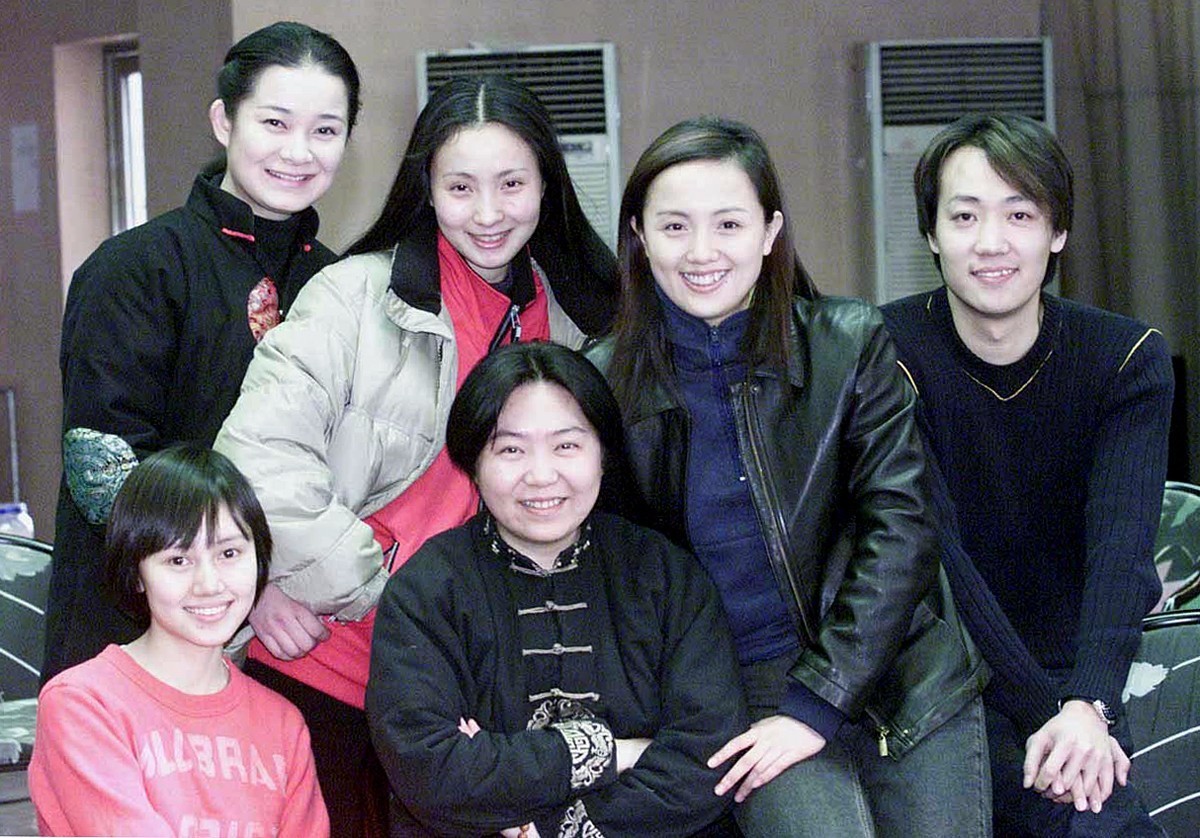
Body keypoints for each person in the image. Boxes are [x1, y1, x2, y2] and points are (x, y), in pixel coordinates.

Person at [214, 75, 619, 835]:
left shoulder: (578, 324)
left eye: (512, 184)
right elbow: (258, 458)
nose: (488, 213)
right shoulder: (351, 297)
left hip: (484, 699)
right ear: (426, 189)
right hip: (331, 665)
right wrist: (387, 601)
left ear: (547, 185)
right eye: (460, 187)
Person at [592, 116, 991, 837]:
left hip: (900, 663)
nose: (702, 252)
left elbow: (902, 527)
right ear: (640, 237)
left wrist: (821, 699)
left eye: (729, 224)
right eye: (675, 227)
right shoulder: (603, 384)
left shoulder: (849, 342)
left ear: (770, 231)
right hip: (746, 689)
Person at [881, 112, 1173, 836]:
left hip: (1079, 676)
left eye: (1020, 214)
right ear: (931, 234)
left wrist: (1088, 706)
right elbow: (938, 556)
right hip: (938, 675)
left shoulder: (1125, 359)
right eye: (964, 216)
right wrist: (1052, 717)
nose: (991, 242)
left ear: (1058, 231)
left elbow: (1121, 551)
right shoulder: (883, 352)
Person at [45, 20, 361, 683]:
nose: (298, 151)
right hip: (133, 641)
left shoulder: (341, 286)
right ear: (224, 121)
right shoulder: (135, 269)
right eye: (274, 123)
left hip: (292, 648)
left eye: (325, 130)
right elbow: (107, 473)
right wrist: (249, 584)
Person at [365, 341, 747, 837]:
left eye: (567, 446)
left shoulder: (665, 574)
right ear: (473, 464)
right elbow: (432, 772)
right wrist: (613, 751)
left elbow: (709, 756)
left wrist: (549, 825)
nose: (541, 476)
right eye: (510, 450)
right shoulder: (426, 591)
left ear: (603, 455)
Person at [29, 445, 328, 837]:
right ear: (136, 573)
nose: (209, 584)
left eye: (229, 553)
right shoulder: (83, 704)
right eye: (178, 560)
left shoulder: (283, 725)